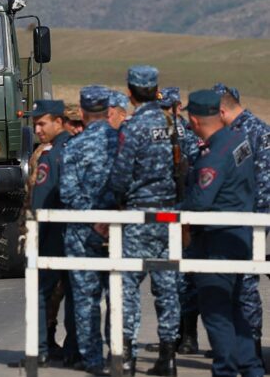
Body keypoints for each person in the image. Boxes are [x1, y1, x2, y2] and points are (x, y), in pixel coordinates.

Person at [181, 89, 264, 377]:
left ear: (194, 119)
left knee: (216, 313)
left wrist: (175, 209)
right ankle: (251, 368)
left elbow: (199, 202)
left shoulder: (214, 155)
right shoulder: (237, 138)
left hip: (217, 240)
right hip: (239, 234)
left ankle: (226, 371)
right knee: (236, 309)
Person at [108, 65, 179, 376]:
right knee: (167, 284)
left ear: (131, 91)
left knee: (127, 285)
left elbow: (122, 173)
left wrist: (114, 199)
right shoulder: (171, 122)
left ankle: (127, 357)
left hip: (139, 211)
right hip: (168, 212)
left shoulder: (133, 127)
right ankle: (169, 357)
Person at [60, 85, 118, 376]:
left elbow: (68, 192)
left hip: (82, 233)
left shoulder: (74, 146)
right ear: (108, 112)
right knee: (119, 294)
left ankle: (92, 360)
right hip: (119, 230)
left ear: (82, 113)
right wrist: (108, 220)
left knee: (85, 298)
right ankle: (119, 355)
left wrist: (93, 219)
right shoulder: (122, 142)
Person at [213, 83, 270, 370]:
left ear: (222, 110)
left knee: (245, 286)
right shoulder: (244, 130)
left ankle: (252, 350)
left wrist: (249, 222)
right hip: (244, 218)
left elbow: (263, 185)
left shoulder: (254, 131)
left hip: (251, 220)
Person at [28, 100, 78, 367]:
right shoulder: (77, 147)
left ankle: (40, 349)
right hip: (79, 233)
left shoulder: (50, 155)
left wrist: (34, 236)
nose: (37, 129)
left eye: (42, 123)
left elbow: (41, 202)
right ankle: (74, 349)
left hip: (53, 234)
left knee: (42, 292)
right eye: (35, 124)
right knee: (75, 291)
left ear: (59, 122)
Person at [156, 86, 203, 355]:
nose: (165, 113)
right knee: (166, 277)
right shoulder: (157, 133)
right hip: (163, 209)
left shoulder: (184, 134)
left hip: (180, 210)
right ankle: (172, 335)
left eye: (168, 108)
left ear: (176, 108)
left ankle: (188, 334)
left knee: (183, 278)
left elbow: (195, 169)